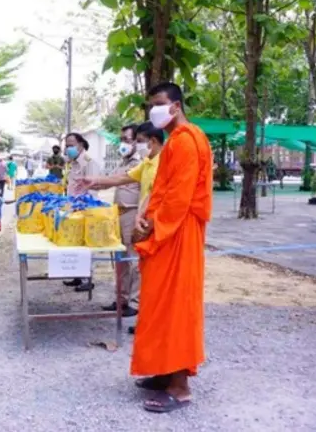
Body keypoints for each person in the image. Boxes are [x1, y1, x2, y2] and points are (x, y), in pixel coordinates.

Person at [129, 82, 213, 413]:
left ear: (175, 106)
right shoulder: (176, 141)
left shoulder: (188, 141)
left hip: (179, 232)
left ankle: (180, 387)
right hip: (167, 228)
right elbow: (162, 190)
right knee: (159, 304)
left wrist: (152, 225)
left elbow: (179, 197)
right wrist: (146, 216)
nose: (154, 110)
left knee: (176, 306)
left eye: (159, 104)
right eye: (151, 105)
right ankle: (165, 373)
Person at [81, 122, 165, 319]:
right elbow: (121, 178)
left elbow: (157, 195)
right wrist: (96, 181)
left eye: (138, 141)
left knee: (135, 261)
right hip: (127, 215)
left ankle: (137, 304)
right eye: (130, 140)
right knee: (121, 260)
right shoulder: (146, 163)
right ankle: (123, 299)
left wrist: (142, 217)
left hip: (144, 219)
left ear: (152, 141)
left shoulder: (163, 162)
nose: (134, 144)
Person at [63, 132, 101, 292]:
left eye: (71, 144)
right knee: (76, 242)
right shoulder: (74, 163)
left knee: (86, 244)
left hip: (85, 209)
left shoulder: (88, 162)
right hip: (73, 209)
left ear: (80, 145)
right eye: (67, 145)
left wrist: (84, 208)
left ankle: (88, 278)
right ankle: (77, 275)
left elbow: (92, 190)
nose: (68, 148)